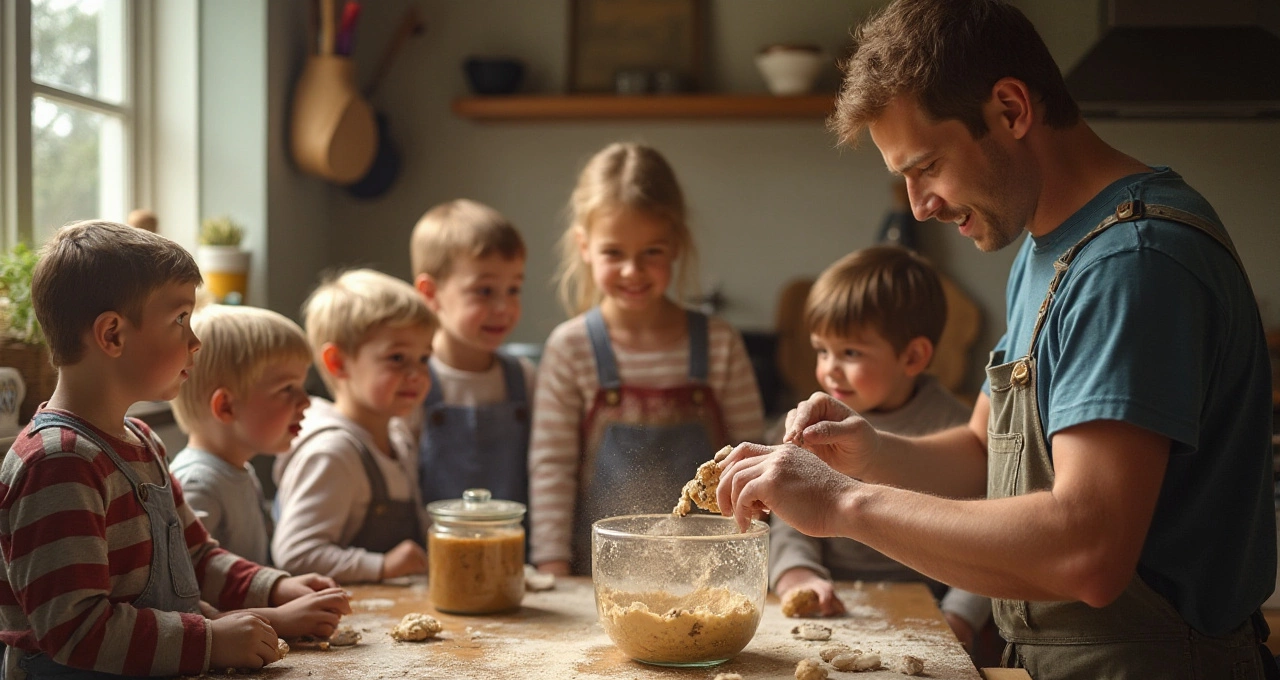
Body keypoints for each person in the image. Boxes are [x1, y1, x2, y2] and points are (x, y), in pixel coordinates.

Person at [716, 1, 1277, 680]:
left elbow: (1088, 551)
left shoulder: (1134, 264)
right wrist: (868, 451)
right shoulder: (1048, 249)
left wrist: (841, 504)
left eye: (927, 167)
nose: (917, 207)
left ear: (1011, 109)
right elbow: (986, 450)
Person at [0, 221, 349, 680]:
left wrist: (275, 587)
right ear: (112, 334)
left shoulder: (142, 441)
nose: (195, 340)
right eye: (181, 319)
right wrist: (211, 640)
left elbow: (196, 558)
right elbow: (76, 630)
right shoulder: (59, 463)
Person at [529, 142, 766, 577]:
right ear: (584, 246)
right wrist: (552, 572)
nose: (632, 271)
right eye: (613, 253)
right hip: (598, 577)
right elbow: (552, 471)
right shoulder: (570, 348)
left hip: (715, 576)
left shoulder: (718, 342)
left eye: (651, 252)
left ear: (676, 245)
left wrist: (761, 566)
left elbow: (753, 462)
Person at [769, 245, 993, 652]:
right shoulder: (809, 424)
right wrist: (796, 575)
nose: (830, 368)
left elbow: (983, 533)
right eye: (823, 350)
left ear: (912, 356)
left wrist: (959, 616)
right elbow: (785, 515)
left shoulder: (958, 434)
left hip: (926, 614)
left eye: (851, 352)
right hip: (830, 603)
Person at [273, 269, 435, 583]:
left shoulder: (398, 435)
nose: (417, 374)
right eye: (398, 358)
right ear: (338, 362)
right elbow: (295, 554)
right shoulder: (332, 451)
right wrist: (382, 566)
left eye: (425, 358)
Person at [408, 199, 535, 511]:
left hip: (512, 547)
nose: (503, 308)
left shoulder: (524, 377)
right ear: (430, 293)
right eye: (484, 291)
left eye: (513, 290)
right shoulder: (414, 381)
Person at [170, 304, 313, 566]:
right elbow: (188, 585)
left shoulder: (240, 472)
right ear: (226, 406)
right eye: (288, 389)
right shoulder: (197, 485)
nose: (306, 402)